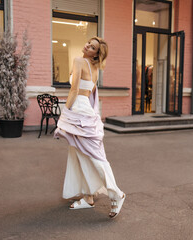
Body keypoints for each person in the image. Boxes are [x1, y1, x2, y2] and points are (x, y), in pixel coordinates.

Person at [54, 37, 126, 219]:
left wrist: (64, 115)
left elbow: (74, 90)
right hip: (86, 113)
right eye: (88, 43)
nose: (87, 46)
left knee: (96, 157)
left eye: (92, 47)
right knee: (81, 155)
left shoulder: (79, 61)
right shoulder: (95, 69)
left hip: (79, 112)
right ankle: (88, 197)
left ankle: (116, 193)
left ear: (95, 54)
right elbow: (91, 95)